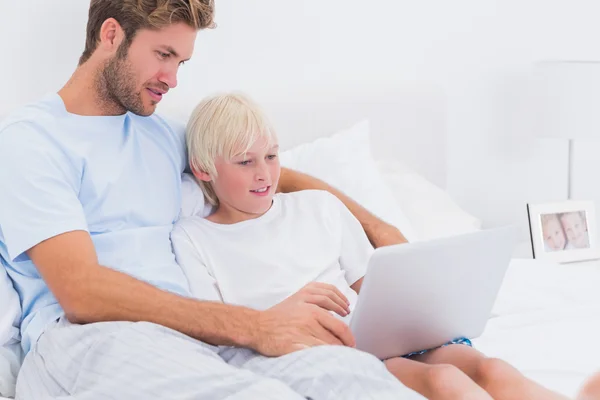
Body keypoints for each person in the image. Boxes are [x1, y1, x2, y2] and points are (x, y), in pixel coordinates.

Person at [0, 1, 418, 399]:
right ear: (111, 34)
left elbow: (276, 174)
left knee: (359, 380)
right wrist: (254, 325)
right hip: (87, 338)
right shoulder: (32, 141)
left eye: (180, 62)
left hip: (194, 336)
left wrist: (379, 229)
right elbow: (81, 291)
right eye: (163, 54)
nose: (172, 78)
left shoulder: (160, 135)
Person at [172, 91, 573, 400]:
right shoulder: (193, 237)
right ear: (204, 168)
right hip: (329, 353)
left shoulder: (319, 206)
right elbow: (215, 327)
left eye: (272, 156)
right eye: (245, 162)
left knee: (494, 371)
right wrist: (283, 315)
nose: (265, 174)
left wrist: (432, 305)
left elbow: (375, 285)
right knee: (444, 380)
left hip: (379, 333)